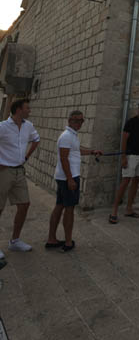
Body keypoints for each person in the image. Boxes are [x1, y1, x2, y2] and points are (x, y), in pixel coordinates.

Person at [46, 110, 102, 252]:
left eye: (81, 120)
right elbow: (64, 158)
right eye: (76, 120)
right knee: (69, 209)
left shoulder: (72, 136)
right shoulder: (66, 136)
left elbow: (76, 150)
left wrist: (92, 151)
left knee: (60, 206)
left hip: (65, 177)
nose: (79, 123)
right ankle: (68, 242)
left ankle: (51, 239)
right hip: (67, 178)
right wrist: (70, 179)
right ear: (69, 120)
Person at [0, 99, 40, 258]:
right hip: (4, 171)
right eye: (27, 108)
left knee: (24, 204)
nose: (29, 110)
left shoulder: (28, 126)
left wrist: (26, 157)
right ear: (18, 110)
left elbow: (36, 140)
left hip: (19, 171)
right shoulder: (3, 127)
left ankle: (15, 241)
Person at [108, 101, 139, 224]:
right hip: (131, 156)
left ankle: (129, 208)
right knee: (125, 181)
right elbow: (124, 139)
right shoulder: (131, 122)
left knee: (136, 180)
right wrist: (123, 157)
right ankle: (114, 210)